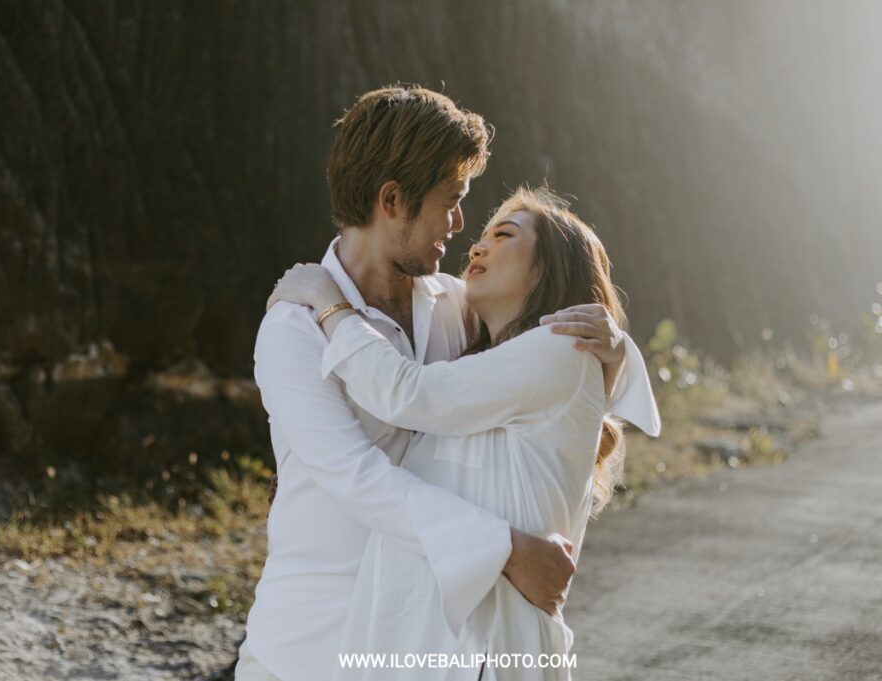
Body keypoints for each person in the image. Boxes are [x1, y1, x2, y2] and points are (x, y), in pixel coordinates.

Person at [238, 86, 648, 680]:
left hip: (422, 643)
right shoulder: (295, 329)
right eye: (451, 201)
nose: (461, 225)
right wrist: (506, 549)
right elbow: (358, 476)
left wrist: (613, 348)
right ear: (392, 200)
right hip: (309, 643)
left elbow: (543, 371)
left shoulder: (458, 305)